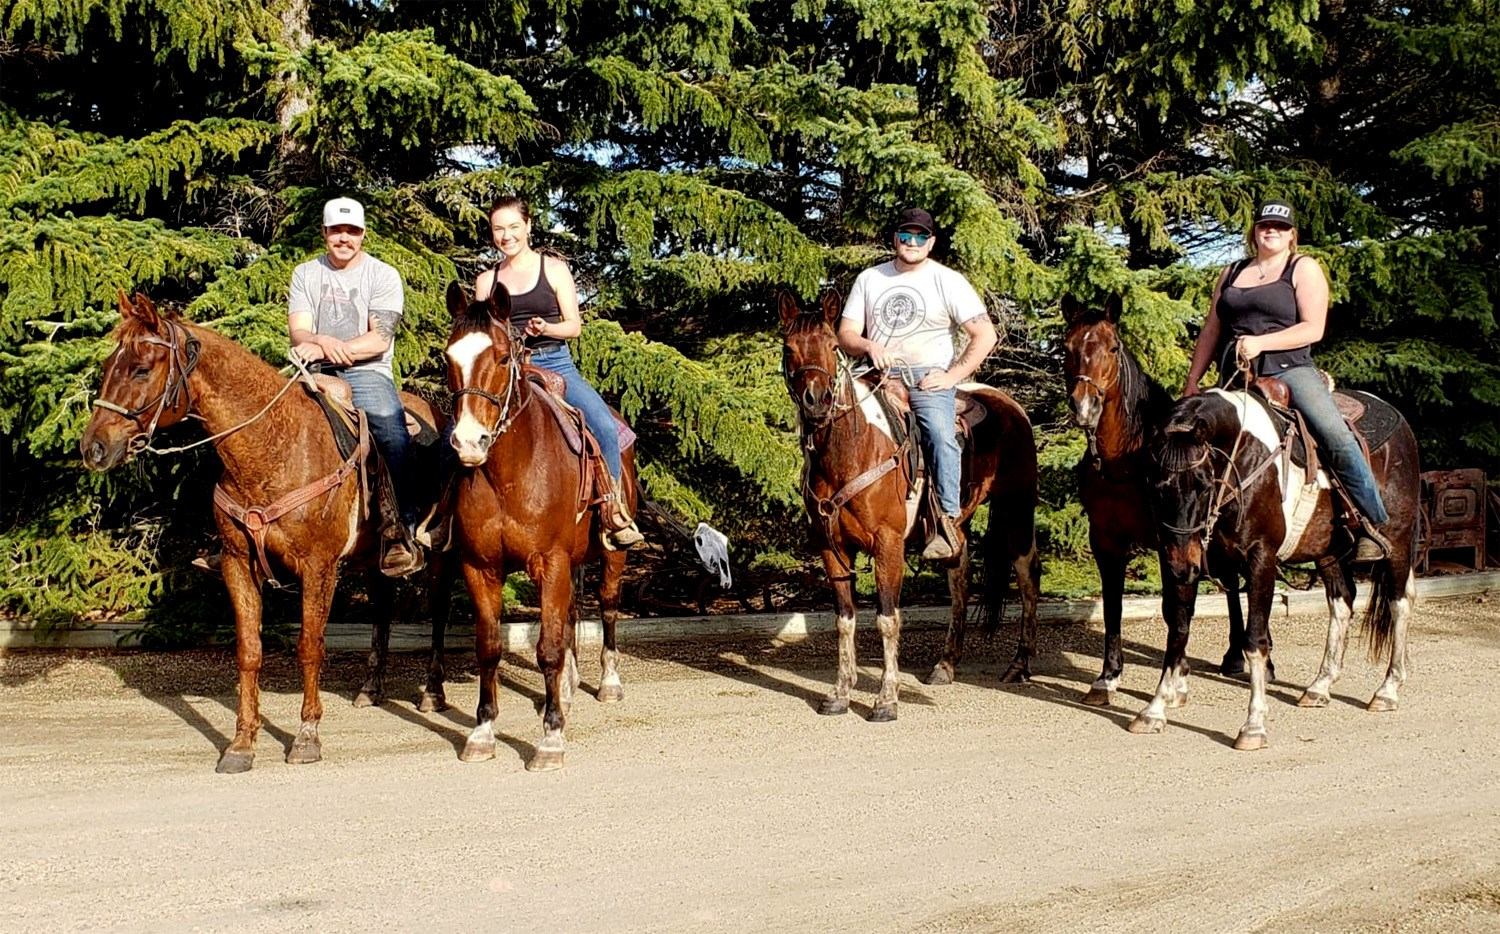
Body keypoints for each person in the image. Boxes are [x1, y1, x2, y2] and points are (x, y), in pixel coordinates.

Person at [1183, 199, 1391, 562]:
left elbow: (1314, 328)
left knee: (1334, 434)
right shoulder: (1231, 272)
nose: (1271, 231)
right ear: (1254, 231)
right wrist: (1192, 381)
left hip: (1290, 370)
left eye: (1279, 227)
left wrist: (1261, 342)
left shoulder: (1302, 267)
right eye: (1264, 225)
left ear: (1291, 234)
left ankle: (1370, 522)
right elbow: (1212, 330)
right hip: (1235, 376)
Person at [474, 195, 644, 550]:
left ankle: (614, 508)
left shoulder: (552, 269)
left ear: (529, 226)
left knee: (603, 425)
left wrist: (546, 328)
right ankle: (443, 519)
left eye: (513, 227)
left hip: (554, 363)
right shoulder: (484, 281)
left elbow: (574, 326)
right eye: (498, 229)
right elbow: (481, 335)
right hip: (507, 372)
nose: (506, 236)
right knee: (456, 437)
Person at [838, 207, 999, 561]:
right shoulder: (870, 279)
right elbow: (846, 334)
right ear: (896, 238)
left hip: (926, 378)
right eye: (906, 235)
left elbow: (985, 334)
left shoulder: (948, 280)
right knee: (833, 420)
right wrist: (868, 345)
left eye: (920, 236)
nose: (912, 242)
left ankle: (946, 521)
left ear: (931, 243)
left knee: (940, 436)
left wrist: (952, 376)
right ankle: (826, 509)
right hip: (875, 374)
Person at [288, 196, 423, 576]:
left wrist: (333, 345)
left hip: (369, 371)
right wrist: (320, 344)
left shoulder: (383, 275)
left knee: (393, 434)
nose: (343, 238)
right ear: (325, 233)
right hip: (314, 369)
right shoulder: (305, 273)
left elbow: (379, 339)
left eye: (351, 231)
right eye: (336, 230)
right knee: (268, 423)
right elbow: (299, 332)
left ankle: (401, 532)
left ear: (362, 234)